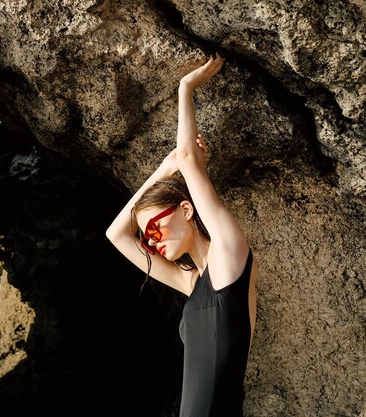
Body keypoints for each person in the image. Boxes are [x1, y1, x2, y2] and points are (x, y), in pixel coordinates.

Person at [105, 53, 258, 417]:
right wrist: (161, 169)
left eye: (155, 227)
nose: (153, 242)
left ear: (186, 211)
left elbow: (189, 157)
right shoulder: (191, 282)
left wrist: (185, 88)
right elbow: (116, 234)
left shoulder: (229, 255)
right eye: (148, 240)